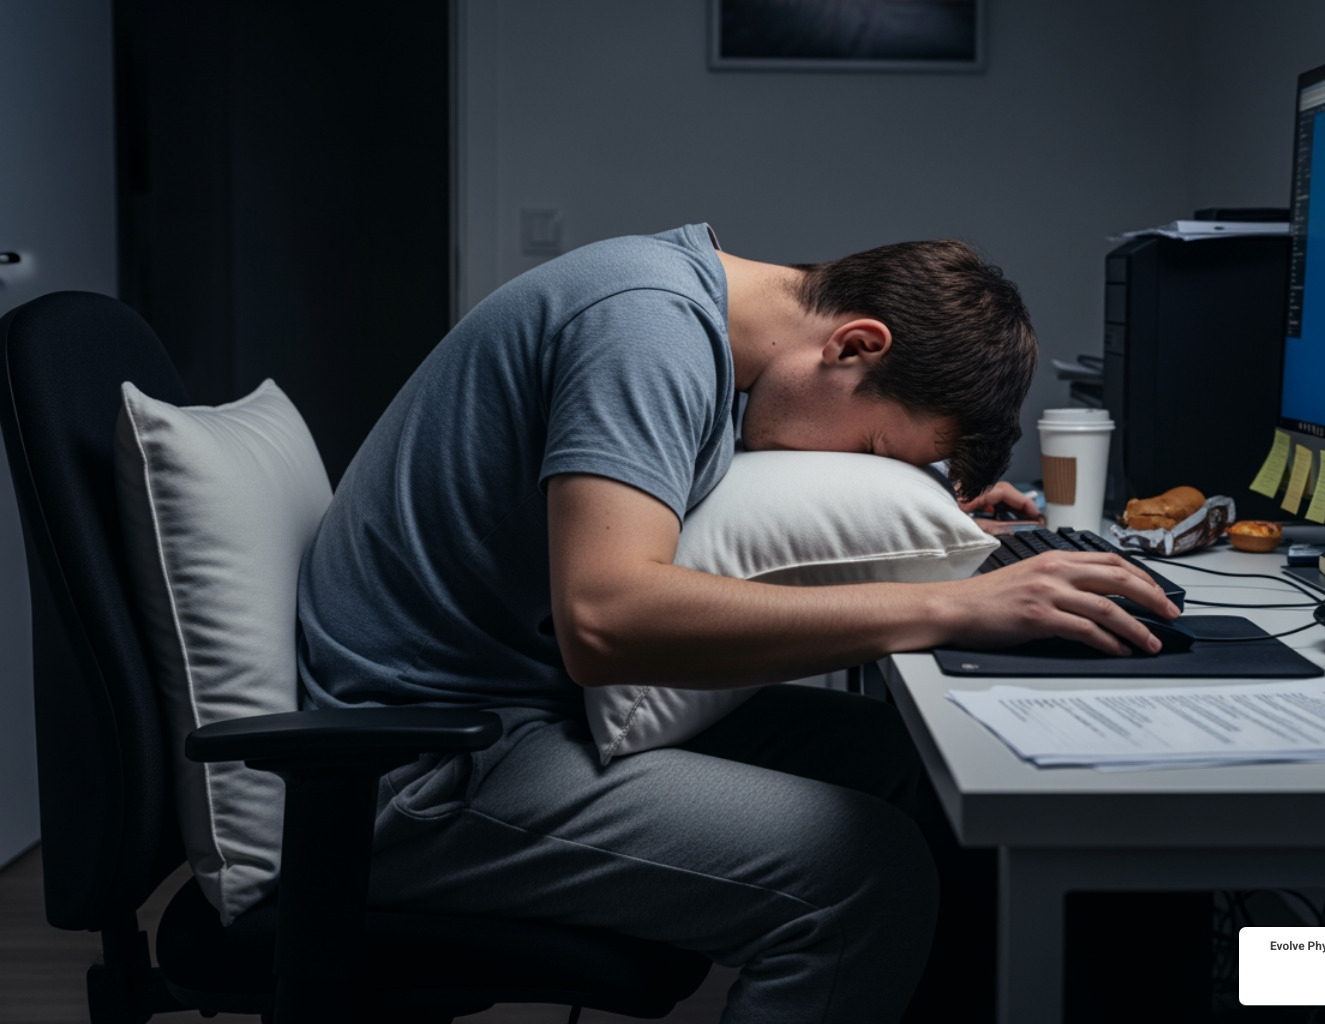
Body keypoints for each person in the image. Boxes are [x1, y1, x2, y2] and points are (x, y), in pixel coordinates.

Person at [297, 223, 1178, 1022]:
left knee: (921, 771)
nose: (850, 467)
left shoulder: (708, 332)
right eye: (872, 450)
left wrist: (941, 522)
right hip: (419, 762)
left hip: (515, 709)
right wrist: (952, 603)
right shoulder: (645, 329)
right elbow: (606, 621)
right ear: (854, 344)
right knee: (863, 877)